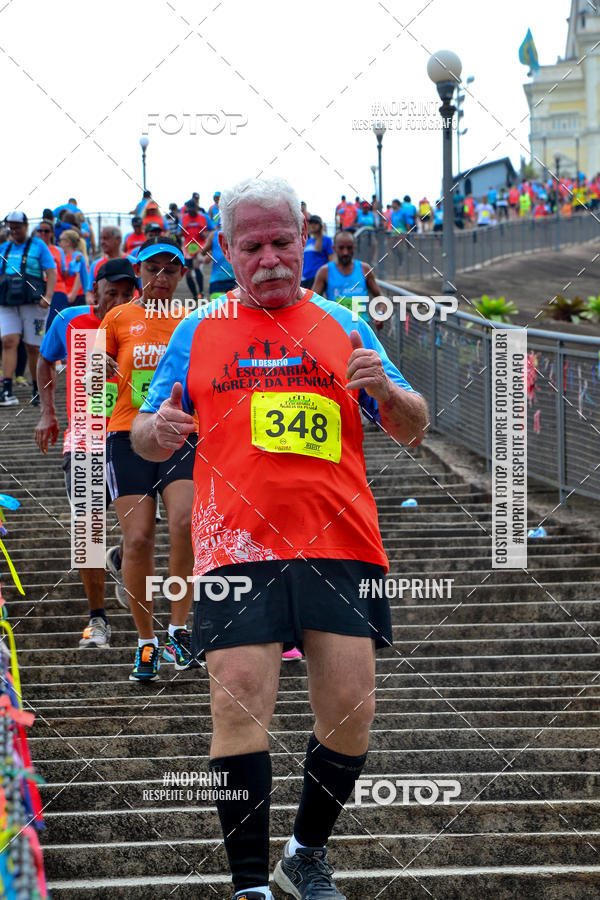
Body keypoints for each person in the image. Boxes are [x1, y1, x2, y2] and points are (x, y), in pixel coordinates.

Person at [131, 176, 428, 900]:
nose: (269, 258)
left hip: (342, 543)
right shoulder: (197, 329)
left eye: (282, 242)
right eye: (252, 245)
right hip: (237, 545)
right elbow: (142, 432)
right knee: (236, 698)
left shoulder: (343, 324)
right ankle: (248, 887)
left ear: (305, 240)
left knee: (352, 710)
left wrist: (386, 393)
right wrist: (156, 431)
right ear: (227, 251)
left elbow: (415, 425)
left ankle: (304, 853)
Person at [99, 236, 198, 681]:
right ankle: (145, 641)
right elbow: (94, 376)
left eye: (170, 270)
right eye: (152, 269)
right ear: (138, 272)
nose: (160, 278)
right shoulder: (118, 316)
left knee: (184, 524)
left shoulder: (195, 320)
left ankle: (179, 628)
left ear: (181, 276)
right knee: (137, 539)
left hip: (179, 434)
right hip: (126, 434)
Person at [34, 259, 136, 646]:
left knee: (141, 531)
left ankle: (125, 560)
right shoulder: (70, 321)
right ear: (95, 291)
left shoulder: (142, 323)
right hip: (86, 439)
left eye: (128, 294)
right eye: (113, 293)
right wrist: (48, 412)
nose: (119, 301)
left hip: (130, 436)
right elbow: (45, 359)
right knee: (88, 530)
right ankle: (98, 620)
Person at [0, 212, 57, 406]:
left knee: (33, 347)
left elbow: (51, 271)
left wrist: (48, 296)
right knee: (8, 340)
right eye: (11, 227)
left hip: (33, 301)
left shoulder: (38, 246)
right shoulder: (4, 248)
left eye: (18, 227)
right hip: (8, 301)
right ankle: (7, 390)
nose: (14, 231)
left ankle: (37, 388)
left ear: (25, 225)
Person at [312, 231, 383, 325]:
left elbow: (381, 298)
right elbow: (312, 303)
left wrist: (380, 314)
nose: (345, 252)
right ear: (334, 248)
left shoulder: (365, 269)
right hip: (336, 330)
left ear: (354, 248)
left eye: (349, 248)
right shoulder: (324, 271)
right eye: (341, 248)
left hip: (361, 329)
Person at [35, 219, 68, 333]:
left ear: (52, 233)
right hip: (37, 290)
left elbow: (64, 272)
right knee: (38, 327)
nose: (43, 233)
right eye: (40, 231)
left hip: (57, 290)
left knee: (55, 324)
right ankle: (39, 350)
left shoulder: (58, 250)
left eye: (46, 231)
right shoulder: (33, 249)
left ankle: (56, 350)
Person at [180, 200, 214, 301]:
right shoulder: (184, 218)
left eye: (192, 210)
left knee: (196, 265)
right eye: (189, 210)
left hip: (200, 245)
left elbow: (212, 229)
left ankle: (201, 292)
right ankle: (195, 295)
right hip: (188, 247)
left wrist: (206, 234)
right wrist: (179, 233)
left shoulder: (204, 217)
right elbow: (179, 232)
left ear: (196, 208)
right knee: (188, 272)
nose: (191, 212)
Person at [198, 226, 236, 299]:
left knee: (235, 309)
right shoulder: (214, 235)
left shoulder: (238, 233)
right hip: (217, 282)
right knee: (219, 309)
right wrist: (204, 259)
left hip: (236, 282)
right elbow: (200, 254)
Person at [85, 226, 123, 298]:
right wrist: (90, 298)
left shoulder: (132, 262)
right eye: (101, 239)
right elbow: (89, 291)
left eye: (106, 238)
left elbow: (140, 289)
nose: (102, 242)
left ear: (118, 240)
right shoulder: (95, 264)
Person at [301, 215, 333, 290]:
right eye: (311, 223)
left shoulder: (326, 240)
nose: (313, 225)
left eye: (316, 223)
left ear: (320, 225)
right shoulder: (307, 241)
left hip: (317, 278)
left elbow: (331, 260)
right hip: (304, 278)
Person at [58, 229, 88, 305]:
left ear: (68, 242)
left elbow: (79, 275)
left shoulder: (76, 255)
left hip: (77, 296)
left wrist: (73, 294)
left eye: (61, 240)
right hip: (66, 294)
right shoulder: (63, 257)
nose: (59, 243)